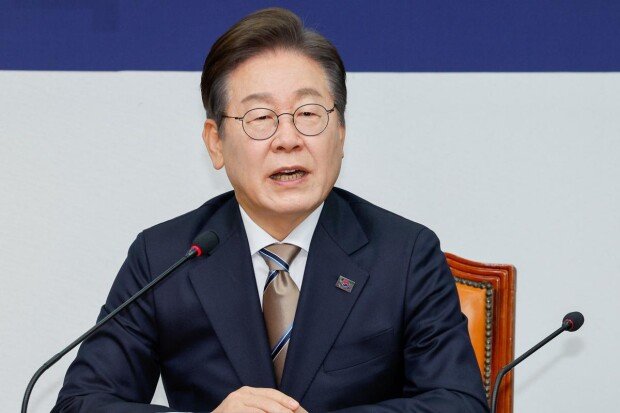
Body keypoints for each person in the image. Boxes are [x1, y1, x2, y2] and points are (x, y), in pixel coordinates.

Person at [53, 7, 488, 413]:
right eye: (260, 118)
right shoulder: (164, 257)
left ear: (340, 132)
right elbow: (80, 403)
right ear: (215, 143)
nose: (288, 139)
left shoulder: (405, 254)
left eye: (308, 113)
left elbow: (459, 403)